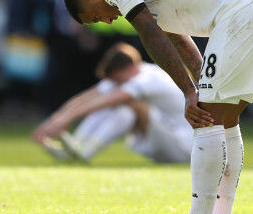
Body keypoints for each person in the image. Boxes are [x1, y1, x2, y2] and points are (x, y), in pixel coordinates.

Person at [62, 0, 253, 214]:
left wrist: (189, 93)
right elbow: (176, 36)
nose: (106, 21)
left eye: (95, 17)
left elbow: (151, 35)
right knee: (225, 119)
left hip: (242, 9)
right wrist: (197, 85)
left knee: (204, 119)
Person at [32, 42, 193, 163]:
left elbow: (111, 98)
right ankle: (77, 146)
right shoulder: (128, 77)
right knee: (113, 104)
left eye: (117, 79)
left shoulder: (149, 78)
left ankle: (85, 151)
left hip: (183, 146)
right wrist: (56, 119)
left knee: (131, 105)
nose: (116, 84)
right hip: (160, 140)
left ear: (129, 68)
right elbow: (90, 97)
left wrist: (65, 120)